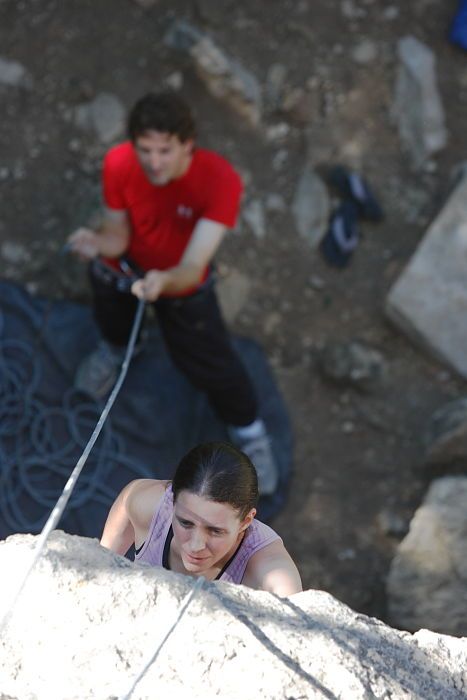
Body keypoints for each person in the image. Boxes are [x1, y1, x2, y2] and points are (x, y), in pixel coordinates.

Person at [68, 91, 278, 495]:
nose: (153, 162)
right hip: (129, 265)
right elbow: (118, 234)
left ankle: (249, 429)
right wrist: (98, 244)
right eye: (145, 149)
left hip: (181, 282)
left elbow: (192, 266)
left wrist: (163, 282)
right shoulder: (118, 164)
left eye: (165, 150)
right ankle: (116, 349)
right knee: (109, 303)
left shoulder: (219, 181)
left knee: (211, 358)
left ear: (188, 144)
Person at [100, 442, 302, 596]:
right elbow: (126, 502)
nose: (196, 545)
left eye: (215, 531)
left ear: (246, 522)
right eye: (185, 523)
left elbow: (291, 609)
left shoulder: (266, 566)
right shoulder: (147, 505)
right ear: (172, 500)